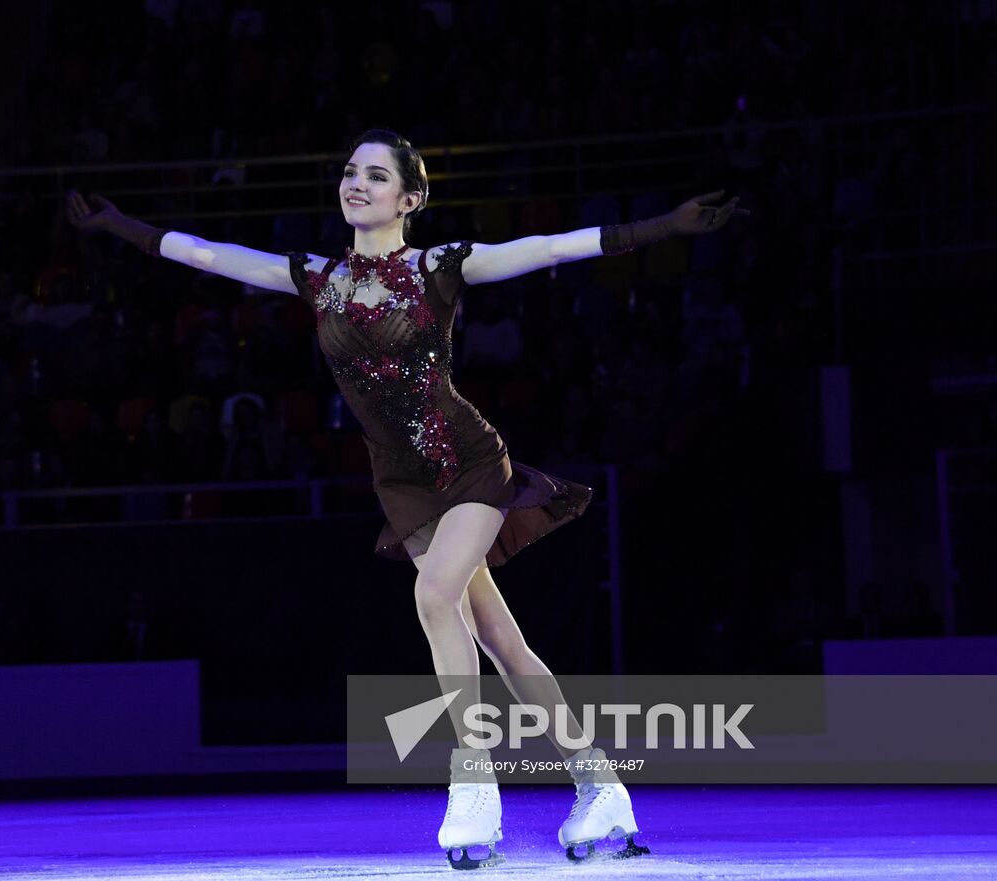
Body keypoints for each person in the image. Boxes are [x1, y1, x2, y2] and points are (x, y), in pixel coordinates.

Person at [67, 129, 746, 867]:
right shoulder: (317, 277)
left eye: (376, 175)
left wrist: (664, 226)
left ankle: (474, 772)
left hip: (471, 461)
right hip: (402, 482)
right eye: (350, 171)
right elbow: (206, 255)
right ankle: (599, 784)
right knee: (505, 643)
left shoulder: (439, 267)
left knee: (433, 593)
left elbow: (549, 247)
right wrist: (116, 225)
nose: (356, 183)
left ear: (411, 198)